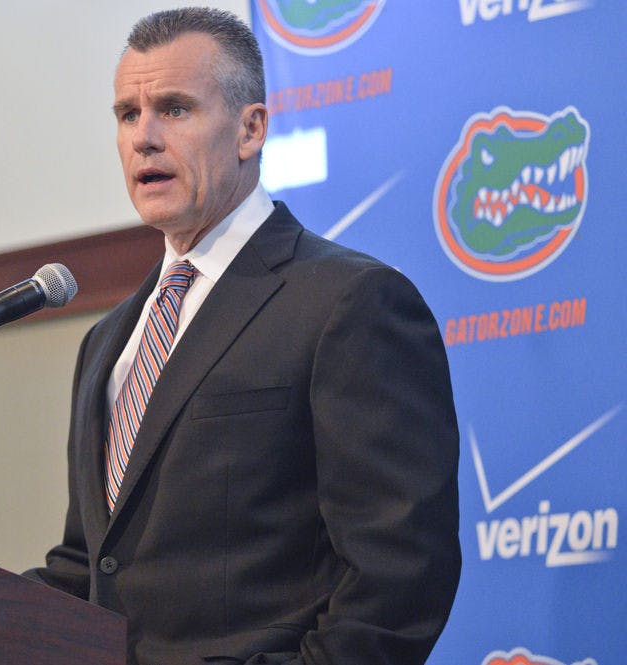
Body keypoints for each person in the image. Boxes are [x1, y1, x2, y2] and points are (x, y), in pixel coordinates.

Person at [26, 7, 461, 665]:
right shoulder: (108, 341)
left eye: (173, 109)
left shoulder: (348, 302)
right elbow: (90, 563)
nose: (143, 137)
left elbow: (399, 575)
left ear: (250, 128)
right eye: (126, 114)